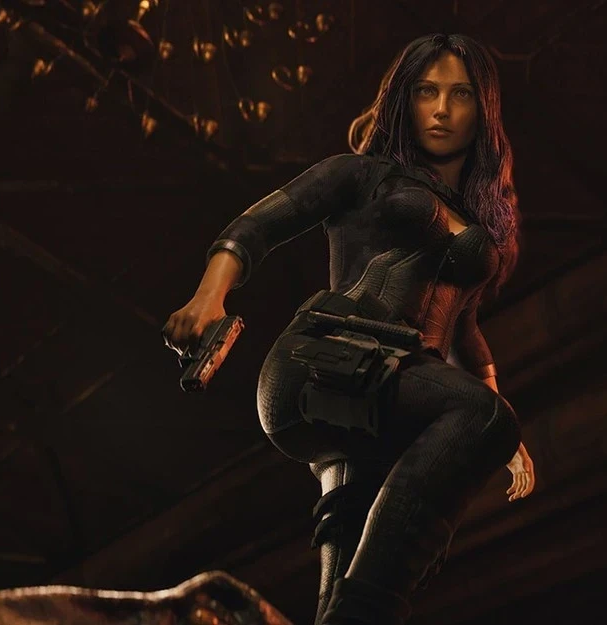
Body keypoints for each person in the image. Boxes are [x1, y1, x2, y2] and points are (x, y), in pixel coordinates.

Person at [162, 33, 535, 625]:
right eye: (426, 91)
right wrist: (209, 297)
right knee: (483, 419)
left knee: (346, 567)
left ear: (483, 108)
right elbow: (262, 223)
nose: (441, 109)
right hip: (327, 362)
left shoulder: (478, 221)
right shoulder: (362, 174)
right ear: (403, 100)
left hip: (390, 397)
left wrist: (499, 434)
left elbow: (463, 329)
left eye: (460, 94)